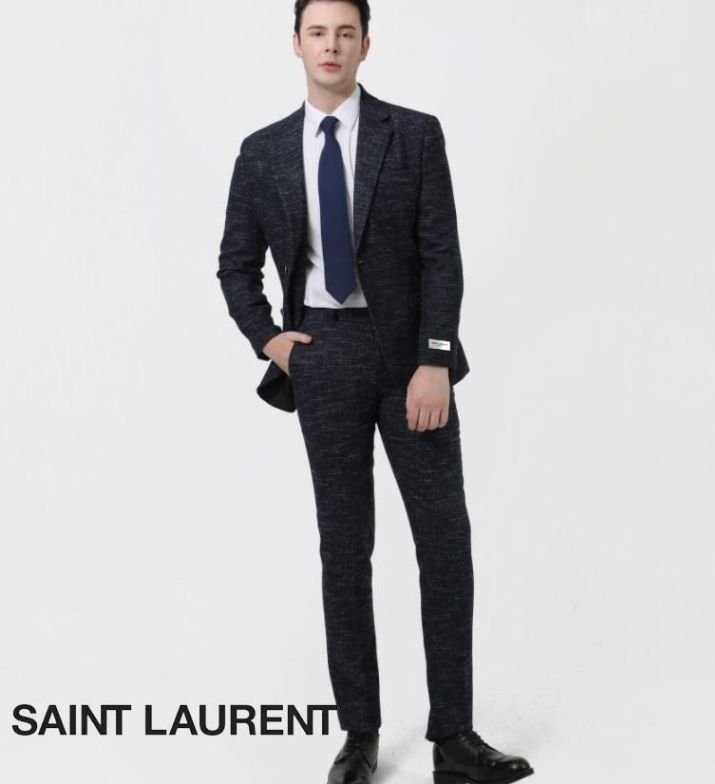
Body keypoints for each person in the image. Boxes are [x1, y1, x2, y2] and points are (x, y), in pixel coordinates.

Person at [217, 2, 535, 782]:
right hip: (321, 357)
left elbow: (441, 254)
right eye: (317, 33)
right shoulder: (262, 152)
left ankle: (453, 737)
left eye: (345, 33)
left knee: (444, 541)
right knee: (344, 548)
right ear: (296, 44)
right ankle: (359, 734)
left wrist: (434, 360)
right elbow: (234, 263)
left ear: (366, 44)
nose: (331, 45)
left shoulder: (413, 134)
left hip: (407, 360)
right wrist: (269, 338)